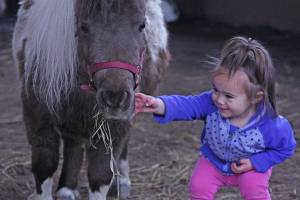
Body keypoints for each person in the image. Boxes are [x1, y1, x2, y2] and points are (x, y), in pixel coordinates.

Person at [134, 36, 297, 200]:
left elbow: (285, 148)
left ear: (256, 97)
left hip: (249, 167)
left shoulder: (272, 125)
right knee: (199, 187)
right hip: (214, 160)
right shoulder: (211, 105)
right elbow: (186, 105)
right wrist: (159, 104)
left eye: (228, 96)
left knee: (254, 191)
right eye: (216, 90)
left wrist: (256, 162)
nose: (219, 99)